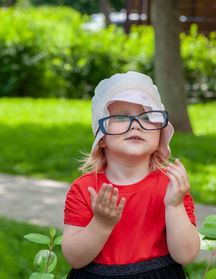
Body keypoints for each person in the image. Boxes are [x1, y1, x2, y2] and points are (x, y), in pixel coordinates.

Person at [62, 71, 200, 279]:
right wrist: (101, 223)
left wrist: (174, 205)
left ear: (160, 134)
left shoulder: (171, 187)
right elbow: (74, 258)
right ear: (101, 138)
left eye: (146, 117)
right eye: (120, 116)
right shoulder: (86, 188)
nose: (135, 124)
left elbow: (186, 255)